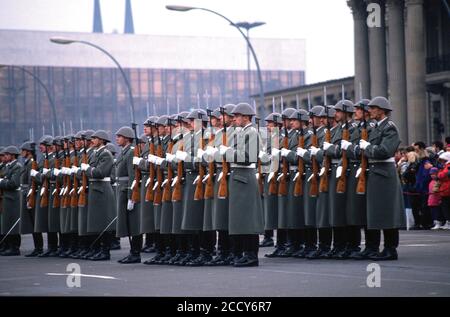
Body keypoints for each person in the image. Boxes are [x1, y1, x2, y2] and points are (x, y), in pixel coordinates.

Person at [355, 96, 406, 260]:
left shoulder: (389, 128)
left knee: (387, 213)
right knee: (374, 213)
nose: (370, 111)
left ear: (382, 110)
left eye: (373, 108)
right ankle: (372, 247)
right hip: (373, 172)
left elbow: (385, 151)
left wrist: (367, 147)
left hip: (384, 173)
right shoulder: (374, 128)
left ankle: (391, 249)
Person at [80, 130, 116, 261]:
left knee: (103, 222)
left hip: (102, 190)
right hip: (95, 189)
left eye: (95, 138)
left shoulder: (106, 154)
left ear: (101, 140)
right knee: (96, 222)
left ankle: (105, 251)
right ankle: (98, 249)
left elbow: (100, 172)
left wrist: (87, 169)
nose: (92, 140)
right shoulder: (95, 153)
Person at [115, 126, 142, 264]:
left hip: (128, 190)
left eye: (119, 136)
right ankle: (132, 252)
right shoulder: (123, 152)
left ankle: (135, 253)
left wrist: (132, 195)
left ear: (126, 138)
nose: (117, 139)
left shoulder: (131, 152)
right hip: (122, 189)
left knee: (133, 223)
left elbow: (133, 175)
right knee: (127, 223)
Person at [19, 141, 44, 257]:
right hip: (26, 192)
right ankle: (37, 247)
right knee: (31, 222)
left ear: (28, 152)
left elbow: (32, 182)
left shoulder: (31, 163)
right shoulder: (27, 163)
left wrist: (30, 196)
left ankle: (39, 247)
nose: (21, 153)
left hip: (31, 193)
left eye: (23, 151)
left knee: (34, 222)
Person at [0, 146, 23, 256]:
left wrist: (1, 182)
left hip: (13, 198)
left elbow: (13, 183)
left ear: (13, 155)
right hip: (8, 198)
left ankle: (14, 247)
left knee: (13, 223)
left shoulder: (17, 167)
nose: (5, 156)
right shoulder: (9, 166)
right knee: (7, 223)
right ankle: (8, 246)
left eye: (7, 155)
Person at [437, 152, 450, 229]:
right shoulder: (445, 166)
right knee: (445, 206)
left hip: (447, 188)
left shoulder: (448, 166)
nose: (442, 162)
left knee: (446, 207)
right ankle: (447, 221)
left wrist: (439, 174)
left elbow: (441, 175)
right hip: (444, 189)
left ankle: (448, 221)